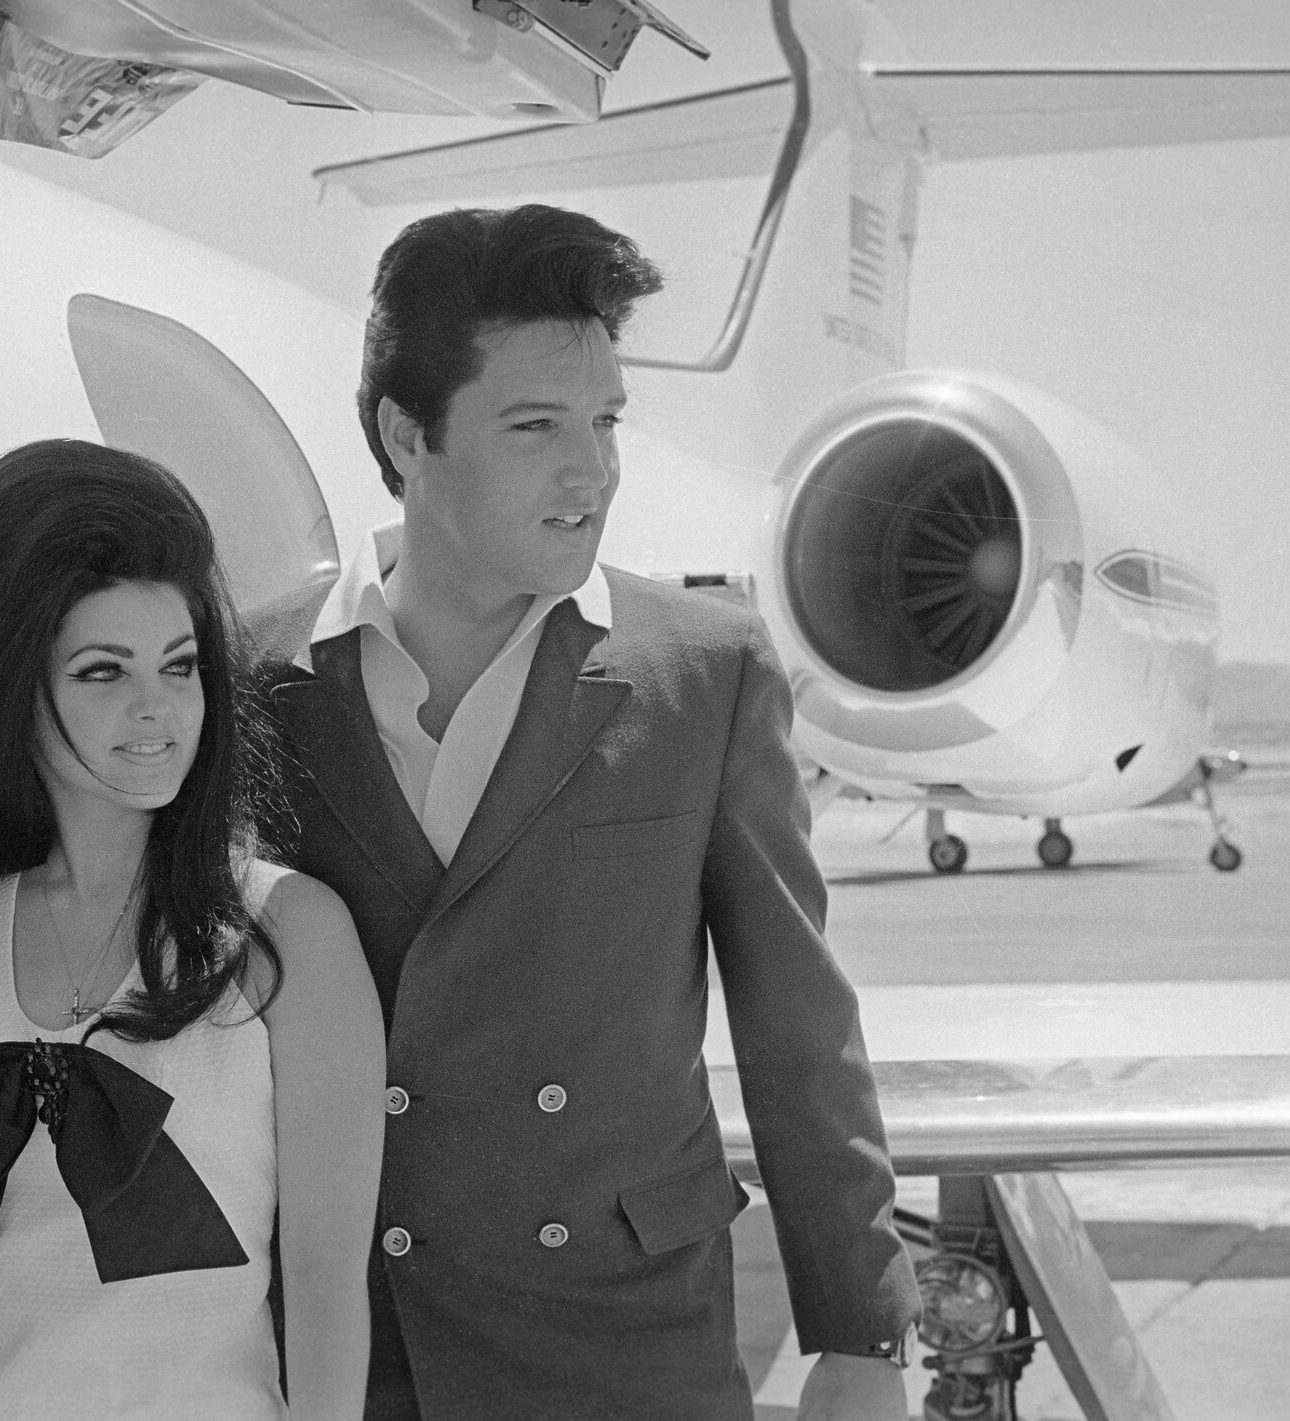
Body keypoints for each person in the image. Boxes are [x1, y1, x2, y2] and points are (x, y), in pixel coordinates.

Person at [246, 206, 921, 1420]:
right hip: (349, 1356)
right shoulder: (253, 683)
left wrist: (859, 1333)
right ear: (407, 435)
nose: (591, 470)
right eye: (535, 426)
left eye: (604, 421)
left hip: (624, 1346)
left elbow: (796, 1027)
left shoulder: (703, 672)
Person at [0, 440, 385, 1419]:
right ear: (10, 686)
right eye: (103, 671)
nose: (157, 708)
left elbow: (323, 1279)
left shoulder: (287, 934)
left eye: (179, 666)